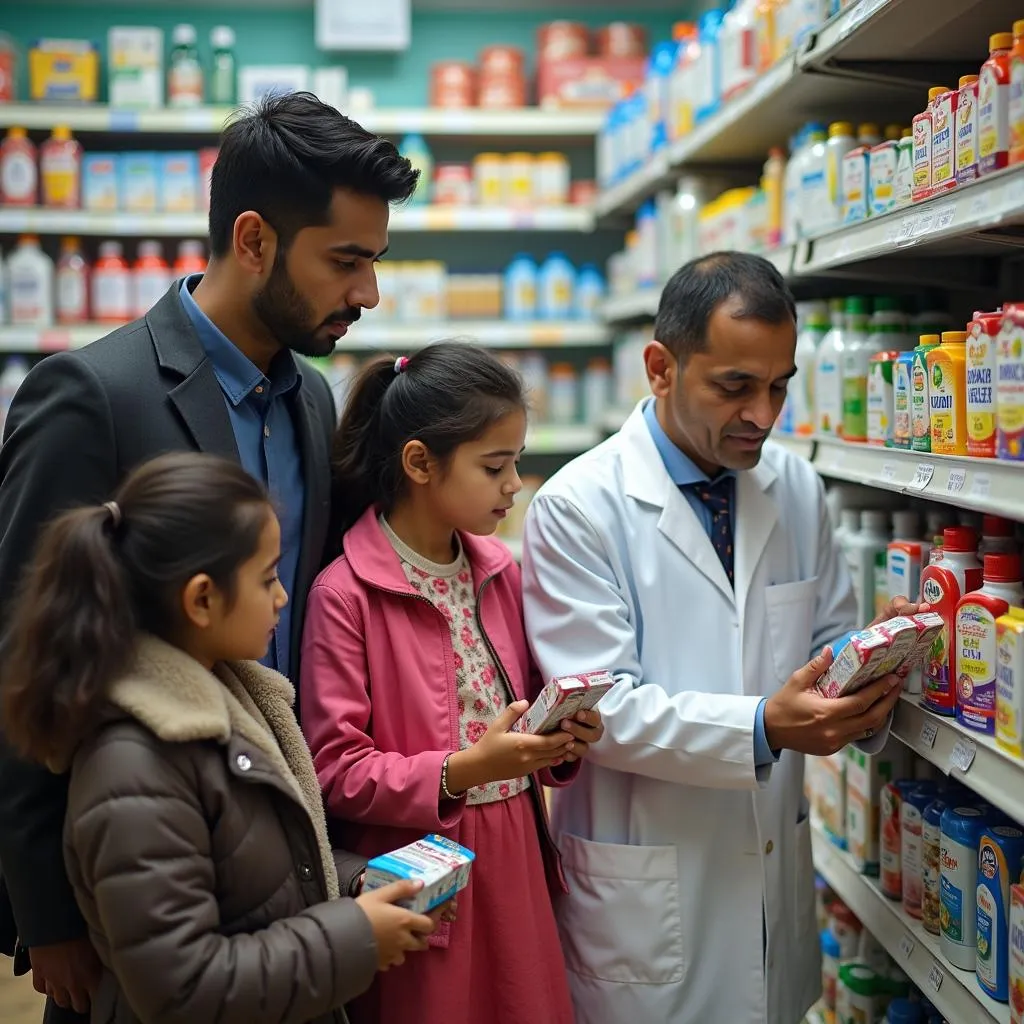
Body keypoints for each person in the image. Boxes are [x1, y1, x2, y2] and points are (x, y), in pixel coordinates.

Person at [0, 92, 418, 1021]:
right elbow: (20, 647)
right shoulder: (93, 394)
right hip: (142, 855)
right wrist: (42, 911)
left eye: (374, 262)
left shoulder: (312, 400)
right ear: (255, 239)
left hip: (278, 842)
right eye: (345, 261)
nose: (367, 293)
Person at [521, 252, 925, 1024]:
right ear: (660, 368)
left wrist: (868, 667)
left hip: (771, 888)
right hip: (647, 909)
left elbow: (829, 636)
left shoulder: (796, 487)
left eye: (779, 386)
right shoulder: (579, 505)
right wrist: (763, 725)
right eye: (734, 387)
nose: (763, 416)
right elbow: (603, 712)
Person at [0, 452, 440, 1024]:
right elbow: (181, 988)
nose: (283, 596)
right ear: (202, 599)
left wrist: (360, 880)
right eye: (266, 578)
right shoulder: (132, 762)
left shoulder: (233, 696)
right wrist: (355, 936)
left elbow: (249, 859)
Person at [299, 343, 602, 1024]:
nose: (514, 484)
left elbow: (519, 710)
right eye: (495, 466)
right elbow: (333, 770)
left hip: (517, 856)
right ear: (418, 463)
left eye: (517, 462)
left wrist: (560, 739)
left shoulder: (498, 571)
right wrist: (465, 770)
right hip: (420, 871)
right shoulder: (344, 594)